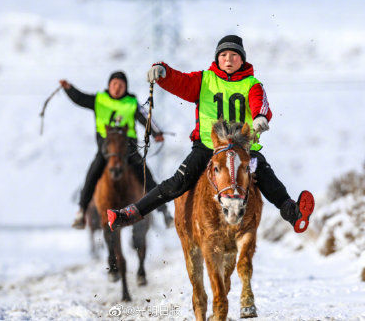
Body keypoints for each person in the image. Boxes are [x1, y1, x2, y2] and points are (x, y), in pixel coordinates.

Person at [107, 35, 315, 233]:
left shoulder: (252, 84)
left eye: (234, 55)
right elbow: (181, 82)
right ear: (217, 58)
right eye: (223, 55)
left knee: (265, 175)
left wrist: (260, 117)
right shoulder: (204, 79)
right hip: (207, 146)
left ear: (242, 59)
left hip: (242, 149)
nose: (228, 60)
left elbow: (259, 103)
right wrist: (163, 72)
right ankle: (131, 213)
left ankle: (293, 213)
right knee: (177, 183)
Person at [60, 71, 173, 229]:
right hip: (106, 149)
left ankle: (164, 211)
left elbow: (145, 118)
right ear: (109, 85)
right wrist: (69, 89)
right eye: (114, 84)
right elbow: (80, 98)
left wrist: (156, 133)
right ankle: (81, 211)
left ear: (126, 87)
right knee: (92, 174)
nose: (117, 87)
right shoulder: (99, 99)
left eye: (121, 85)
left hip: (128, 149)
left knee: (146, 175)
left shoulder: (131, 102)